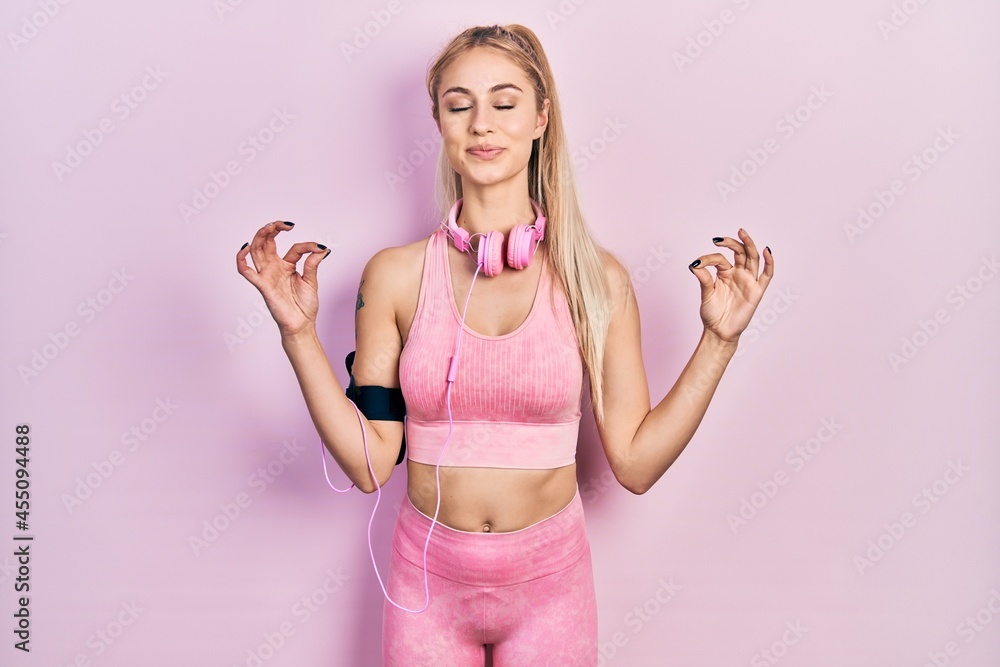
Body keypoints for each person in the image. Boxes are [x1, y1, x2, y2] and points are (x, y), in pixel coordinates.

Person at [236, 23, 773, 667]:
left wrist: (719, 341)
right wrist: (297, 333)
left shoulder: (595, 279)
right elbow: (370, 463)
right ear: (438, 122)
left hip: (550, 586)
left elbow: (634, 462)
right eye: (459, 105)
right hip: (427, 585)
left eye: (505, 102)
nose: (481, 124)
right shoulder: (394, 276)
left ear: (542, 116)